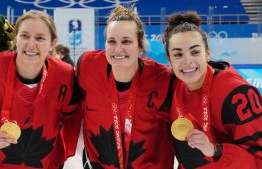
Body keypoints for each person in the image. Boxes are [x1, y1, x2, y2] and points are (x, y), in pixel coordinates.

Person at [0, 10, 81, 169]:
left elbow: (73, 120)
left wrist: (65, 153)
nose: (31, 45)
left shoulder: (66, 75)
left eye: (40, 38)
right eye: (25, 36)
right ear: (15, 39)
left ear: (53, 42)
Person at [77, 5, 174, 169]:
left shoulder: (163, 78)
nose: (118, 49)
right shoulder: (87, 66)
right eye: (111, 41)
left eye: (126, 41)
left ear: (140, 46)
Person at [163, 11, 262, 168]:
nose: (187, 61)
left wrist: (216, 150)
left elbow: (258, 161)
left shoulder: (238, 94)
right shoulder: (171, 85)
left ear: (207, 53)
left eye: (195, 52)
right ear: (169, 60)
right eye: (178, 55)